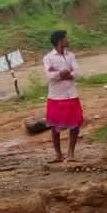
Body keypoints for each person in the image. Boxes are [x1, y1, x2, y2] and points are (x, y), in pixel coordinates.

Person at [42, 30, 83, 162]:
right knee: (54, 127)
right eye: (65, 38)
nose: (68, 40)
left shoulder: (71, 55)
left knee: (75, 125)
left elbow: (78, 73)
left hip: (71, 95)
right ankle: (58, 154)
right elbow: (49, 76)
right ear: (60, 41)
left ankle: (71, 153)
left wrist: (60, 73)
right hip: (56, 96)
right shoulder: (48, 58)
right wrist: (64, 73)